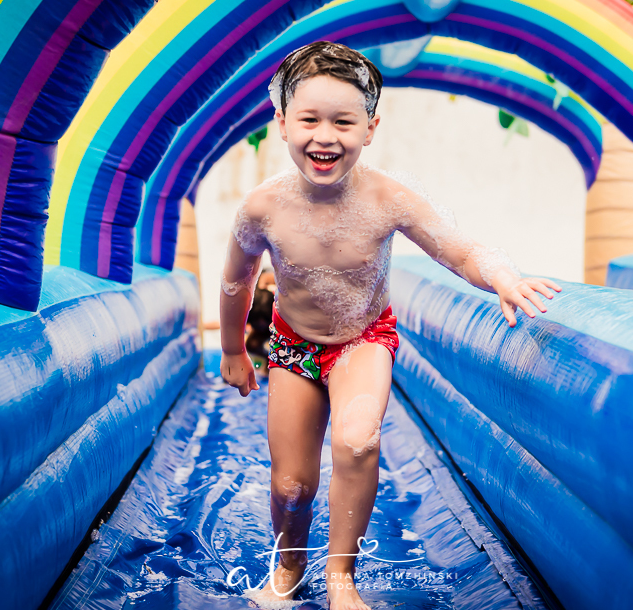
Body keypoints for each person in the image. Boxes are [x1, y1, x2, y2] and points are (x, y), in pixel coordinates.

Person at [219, 41, 560, 609]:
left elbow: (457, 249)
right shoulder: (263, 207)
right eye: (309, 119)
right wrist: (233, 349)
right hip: (291, 347)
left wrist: (499, 272)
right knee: (291, 485)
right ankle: (289, 567)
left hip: (362, 339)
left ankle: (341, 578)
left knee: (356, 441)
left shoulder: (388, 198)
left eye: (343, 122)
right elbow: (237, 277)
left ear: (370, 127)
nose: (324, 136)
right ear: (281, 122)